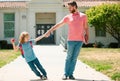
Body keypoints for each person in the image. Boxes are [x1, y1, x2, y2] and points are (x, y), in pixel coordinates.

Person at [44, 1, 89, 80]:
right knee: (69, 57)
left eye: (70, 7)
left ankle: (71, 74)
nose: (69, 9)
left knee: (74, 58)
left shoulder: (83, 16)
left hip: (79, 41)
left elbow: (85, 27)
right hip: (71, 40)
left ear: (74, 6)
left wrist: (87, 36)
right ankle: (65, 74)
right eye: (68, 8)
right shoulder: (68, 17)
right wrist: (49, 30)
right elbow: (58, 24)